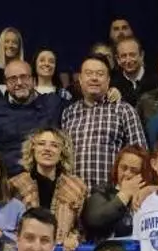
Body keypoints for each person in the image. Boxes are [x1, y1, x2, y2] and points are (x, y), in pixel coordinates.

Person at [62, 55, 147, 190]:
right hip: (74, 195)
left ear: (108, 80)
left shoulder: (123, 110)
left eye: (100, 74)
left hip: (112, 196)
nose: (94, 78)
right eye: (89, 73)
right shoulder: (68, 113)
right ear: (80, 79)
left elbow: (140, 155)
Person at [0, 60, 64, 173]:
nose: (19, 83)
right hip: (8, 177)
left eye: (24, 77)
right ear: (6, 83)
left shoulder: (53, 103)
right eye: (13, 79)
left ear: (33, 80)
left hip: (44, 175)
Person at [82, 145, 154, 243]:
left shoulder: (150, 196)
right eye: (123, 168)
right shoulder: (103, 191)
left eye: (134, 171)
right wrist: (125, 194)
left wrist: (152, 189)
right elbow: (94, 219)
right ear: (117, 168)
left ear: (143, 174)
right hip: (110, 250)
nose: (127, 174)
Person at [111, 36, 157, 107]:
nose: (128, 60)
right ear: (118, 59)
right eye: (123, 56)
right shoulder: (113, 84)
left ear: (141, 55)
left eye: (132, 55)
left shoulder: (156, 80)